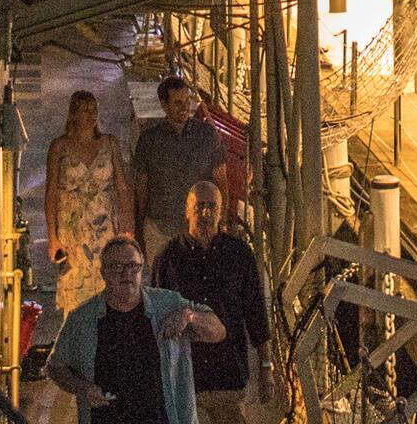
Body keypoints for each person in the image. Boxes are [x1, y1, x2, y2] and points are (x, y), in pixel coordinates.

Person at [46, 234, 225, 424]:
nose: (127, 274)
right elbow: (55, 366)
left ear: (142, 269)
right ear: (103, 273)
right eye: (117, 267)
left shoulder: (167, 305)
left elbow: (218, 331)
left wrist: (189, 317)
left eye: (133, 266)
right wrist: (83, 389)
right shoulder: (82, 319)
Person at [152, 180, 272, 424]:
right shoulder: (168, 257)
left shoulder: (238, 254)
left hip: (228, 376)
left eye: (212, 207)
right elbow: (155, 315)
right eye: (200, 206)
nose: (206, 213)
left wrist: (266, 366)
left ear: (220, 210)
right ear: (187, 211)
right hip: (186, 378)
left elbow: (255, 312)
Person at [47, 89, 134, 315]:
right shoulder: (59, 147)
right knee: (74, 287)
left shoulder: (109, 143)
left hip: (103, 225)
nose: (90, 115)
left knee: (106, 282)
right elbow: (51, 193)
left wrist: (127, 228)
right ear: (73, 114)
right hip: (71, 227)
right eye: (84, 110)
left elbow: (122, 187)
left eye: (93, 110)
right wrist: (52, 237)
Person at [133, 75, 229, 267]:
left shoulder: (207, 135)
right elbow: (142, 187)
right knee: (162, 288)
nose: (184, 107)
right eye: (177, 103)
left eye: (186, 101)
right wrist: (139, 226)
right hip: (160, 229)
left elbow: (221, 183)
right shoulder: (149, 140)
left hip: (199, 230)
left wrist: (222, 222)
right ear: (164, 105)